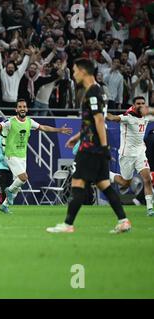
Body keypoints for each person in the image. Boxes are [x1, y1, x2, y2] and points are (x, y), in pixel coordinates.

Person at [47, 58, 132, 234]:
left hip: (91, 148)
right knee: (104, 185)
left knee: (78, 182)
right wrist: (77, 137)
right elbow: (92, 122)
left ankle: (68, 224)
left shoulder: (93, 91)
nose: (74, 74)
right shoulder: (96, 90)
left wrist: (103, 146)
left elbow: (99, 120)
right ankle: (123, 221)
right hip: (94, 145)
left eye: (75, 70)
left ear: (83, 71)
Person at [0, 99, 72, 213]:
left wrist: (59, 130)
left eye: (24, 106)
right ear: (16, 109)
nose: (22, 108)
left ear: (27, 109)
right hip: (11, 155)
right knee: (24, 177)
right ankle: (8, 190)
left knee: (19, 184)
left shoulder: (30, 122)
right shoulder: (10, 122)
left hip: (22, 156)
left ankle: (4, 206)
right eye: (20, 107)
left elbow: (43, 127)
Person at [106, 97, 153, 216]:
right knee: (125, 182)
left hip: (140, 152)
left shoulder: (146, 115)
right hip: (127, 155)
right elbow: (112, 118)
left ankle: (149, 208)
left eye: (143, 103)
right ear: (133, 105)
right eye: (138, 104)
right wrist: (102, 113)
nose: (141, 106)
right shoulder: (128, 116)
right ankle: (106, 174)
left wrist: (150, 110)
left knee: (148, 179)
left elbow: (149, 112)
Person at [0, 132, 12, 204]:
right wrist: (8, 164)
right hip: (1, 168)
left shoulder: (9, 141)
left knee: (9, 188)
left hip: (9, 169)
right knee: (2, 188)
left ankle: (6, 205)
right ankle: (2, 204)